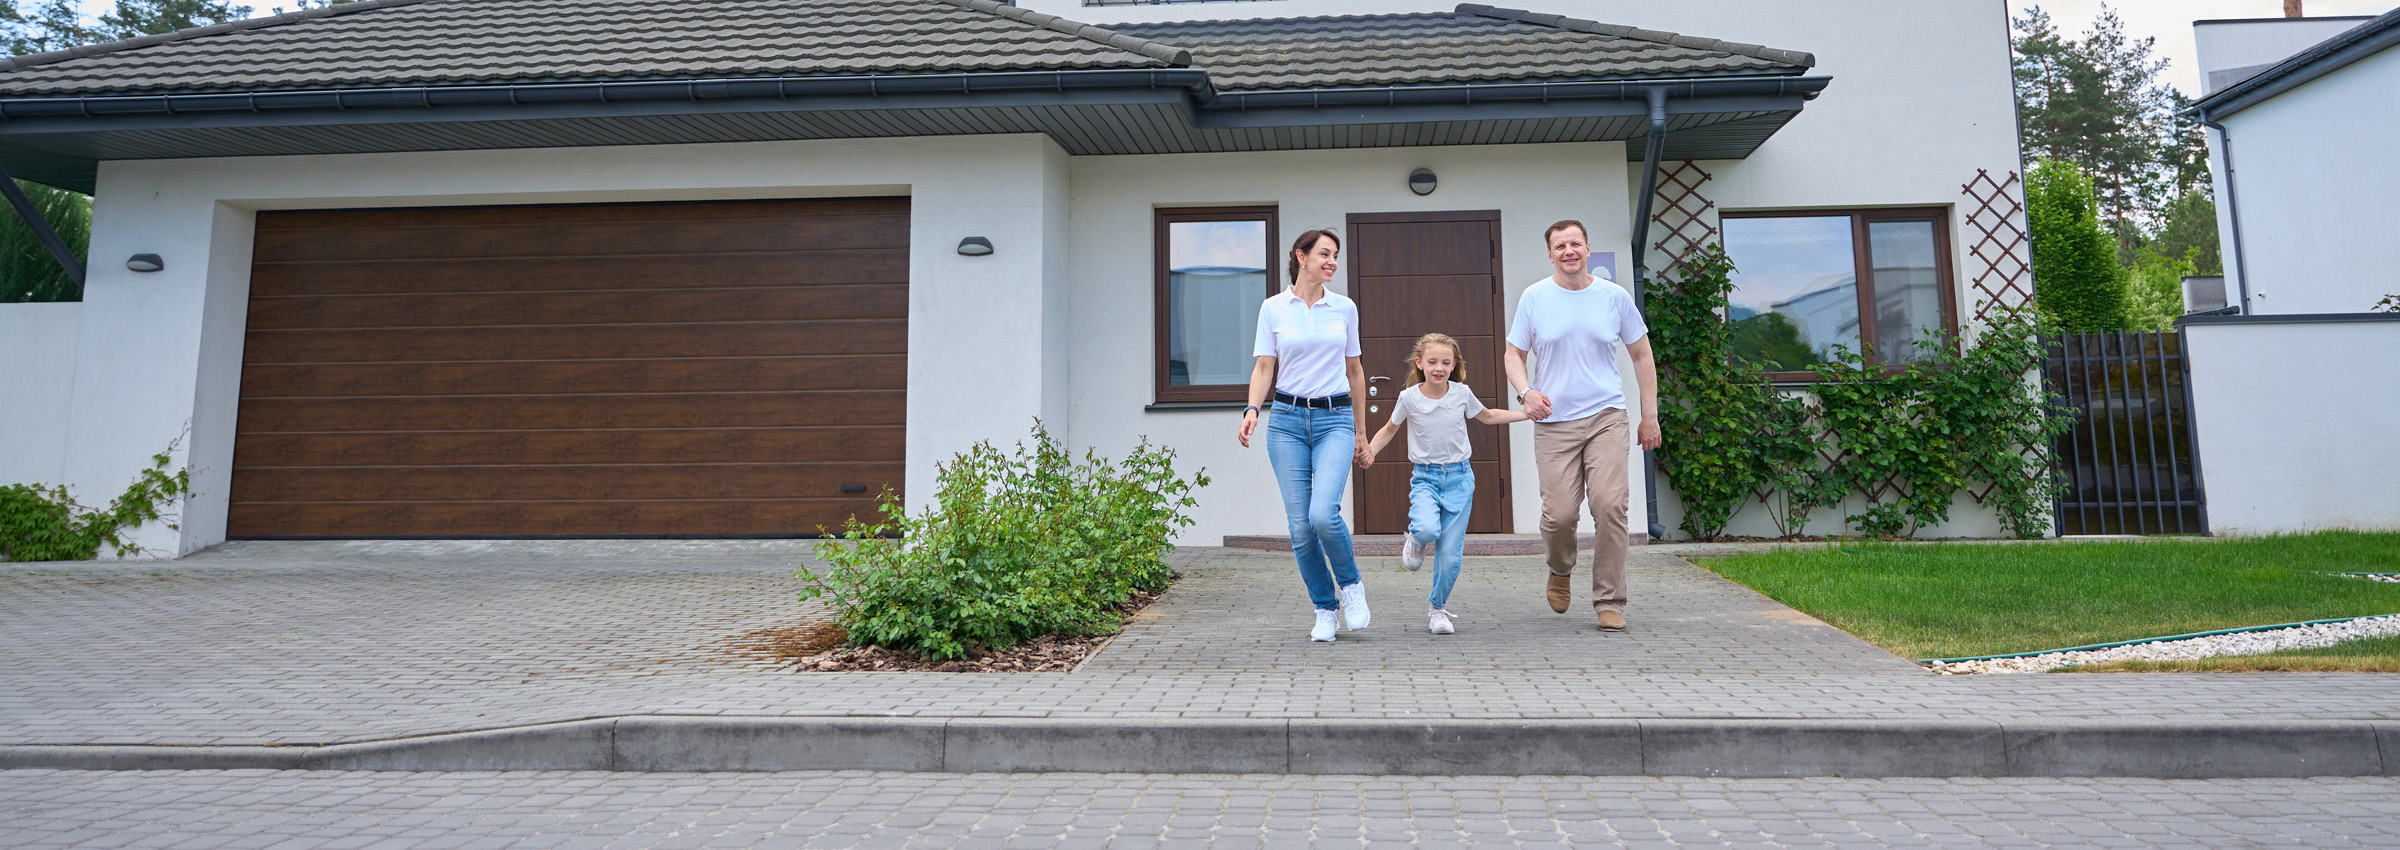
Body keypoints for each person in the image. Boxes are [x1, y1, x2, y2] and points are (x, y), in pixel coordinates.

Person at [1501, 220, 1661, 632]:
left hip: (1606, 417)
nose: (1568, 251)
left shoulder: (1614, 297)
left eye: (1575, 243)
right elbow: (1513, 355)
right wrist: (1526, 393)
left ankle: (1609, 600)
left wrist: (1649, 415)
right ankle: (1559, 568)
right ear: (1550, 254)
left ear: (1588, 248)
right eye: (1560, 246)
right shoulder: (1535, 297)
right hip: (1553, 421)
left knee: (1610, 506)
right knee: (1559, 516)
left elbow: (1642, 356)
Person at [1236, 228, 1374, 643]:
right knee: (1300, 527)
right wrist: (1251, 410)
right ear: (1301, 256)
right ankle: (1324, 608)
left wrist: (1361, 434)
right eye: (1325, 254)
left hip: (1335, 420)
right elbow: (1264, 368)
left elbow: (1355, 371)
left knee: (1321, 514)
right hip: (1286, 422)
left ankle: (1350, 586)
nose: (1332, 262)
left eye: (1335, 256)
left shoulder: (1344, 308)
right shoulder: (1274, 308)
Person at [1357, 333, 1532, 635]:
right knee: (1427, 529)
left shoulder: (1461, 394)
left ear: (1454, 366)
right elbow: (1388, 429)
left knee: (1450, 555)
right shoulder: (1409, 398)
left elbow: (1489, 416)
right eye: (1433, 361)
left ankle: (1437, 609)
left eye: (1446, 363)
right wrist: (1370, 450)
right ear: (1420, 363)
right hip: (1426, 477)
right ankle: (1415, 540)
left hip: (1460, 479)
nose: (1439, 368)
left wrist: (1526, 414)